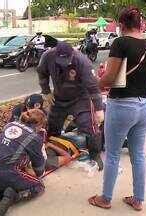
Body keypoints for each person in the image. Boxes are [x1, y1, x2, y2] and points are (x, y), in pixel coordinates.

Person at [88, 7, 146, 211]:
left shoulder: (121, 43)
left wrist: (96, 83)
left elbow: (109, 78)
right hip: (145, 105)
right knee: (137, 154)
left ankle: (106, 198)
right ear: (140, 24)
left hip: (122, 105)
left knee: (112, 154)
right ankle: (138, 199)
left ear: (122, 24)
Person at [37, 41, 104, 170]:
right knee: (53, 125)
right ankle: (53, 151)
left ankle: (95, 155)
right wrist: (46, 91)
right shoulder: (47, 56)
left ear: (72, 55)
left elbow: (93, 87)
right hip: (59, 98)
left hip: (80, 99)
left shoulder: (82, 61)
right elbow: (42, 73)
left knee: (90, 126)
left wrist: (99, 109)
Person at [0, 109, 47, 216]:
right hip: (7, 175)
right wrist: (29, 170)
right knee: (38, 186)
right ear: (38, 124)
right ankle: (15, 196)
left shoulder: (9, 125)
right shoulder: (34, 138)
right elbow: (39, 170)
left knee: (7, 180)